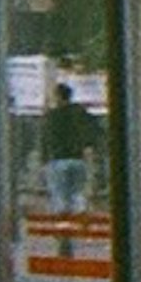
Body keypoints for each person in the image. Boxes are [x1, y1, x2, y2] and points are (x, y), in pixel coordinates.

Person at [42, 79, 93, 213]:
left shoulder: (52, 116)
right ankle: (80, 225)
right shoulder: (80, 112)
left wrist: (44, 158)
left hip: (58, 159)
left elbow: (46, 137)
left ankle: (62, 228)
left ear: (57, 96)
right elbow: (92, 131)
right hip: (78, 158)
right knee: (77, 194)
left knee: (59, 197)